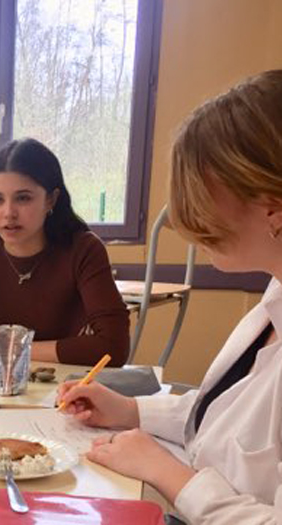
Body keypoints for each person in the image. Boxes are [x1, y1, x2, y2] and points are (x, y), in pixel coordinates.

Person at [57, 70, 282, 524]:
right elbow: (221, 420)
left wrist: (167, 473)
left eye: (202, 194)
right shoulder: (273, 297)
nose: (186, 218)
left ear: (272, 203)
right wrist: (128, 410)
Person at [0, 138, 129, 366]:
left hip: (62, 383)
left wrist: (13, 349)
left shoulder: (83, 249)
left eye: (23, 198)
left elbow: (114, 347)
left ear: (51, 200)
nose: (8, 212)